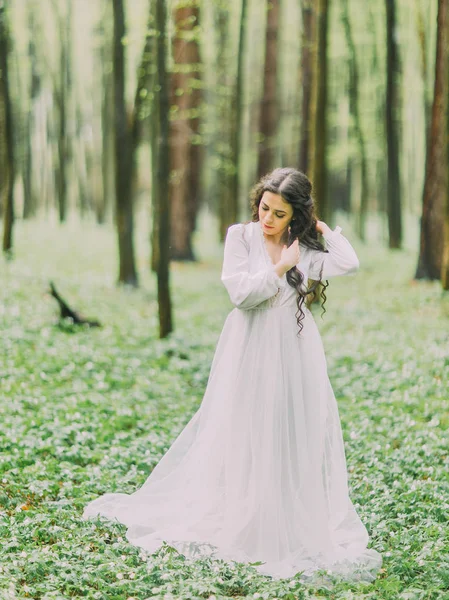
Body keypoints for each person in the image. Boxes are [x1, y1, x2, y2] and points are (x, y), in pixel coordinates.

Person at [82, 167, 382, 582]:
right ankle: (242, 512)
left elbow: (348, 264)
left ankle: (281, 515)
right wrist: (280, 269)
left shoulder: (302, 246)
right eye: (265, 208)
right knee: (244, 426)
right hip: (249, 344)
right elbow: (240, 295)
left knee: (288, 428)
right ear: (257, 200)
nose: (269, 219)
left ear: (294, 215)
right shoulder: (239, 237)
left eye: (280, 213)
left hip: (293, 349)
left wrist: (322, 229)